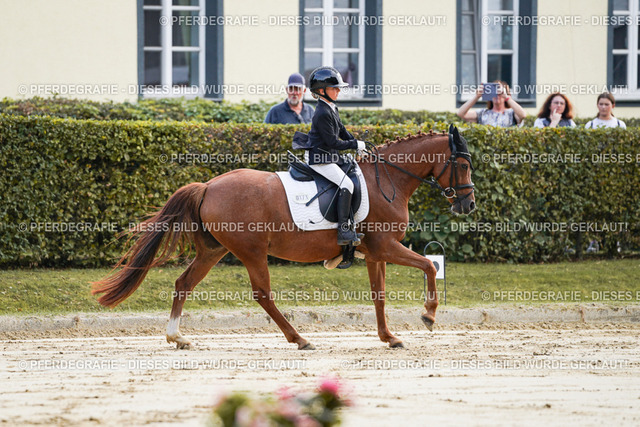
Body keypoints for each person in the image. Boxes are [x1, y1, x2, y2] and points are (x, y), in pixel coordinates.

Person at [306, 66, 366, 246]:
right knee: (347, 184)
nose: (339, 91)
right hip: (320, 160)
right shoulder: (322, 113)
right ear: (321, 91)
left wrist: (357, 142)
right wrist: (354, 145)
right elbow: (333, 142)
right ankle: (343, 230)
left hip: (329, 157)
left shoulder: (331, 107)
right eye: (335, 88)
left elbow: (342, 131)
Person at [457, 81, 526, 127]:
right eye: (494, 92)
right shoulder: (482, 113)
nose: (497, 96)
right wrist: (477, 96)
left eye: (499, 93)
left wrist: (507, 97)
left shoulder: (511, 113)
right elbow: (461, 114)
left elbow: (523, 115)